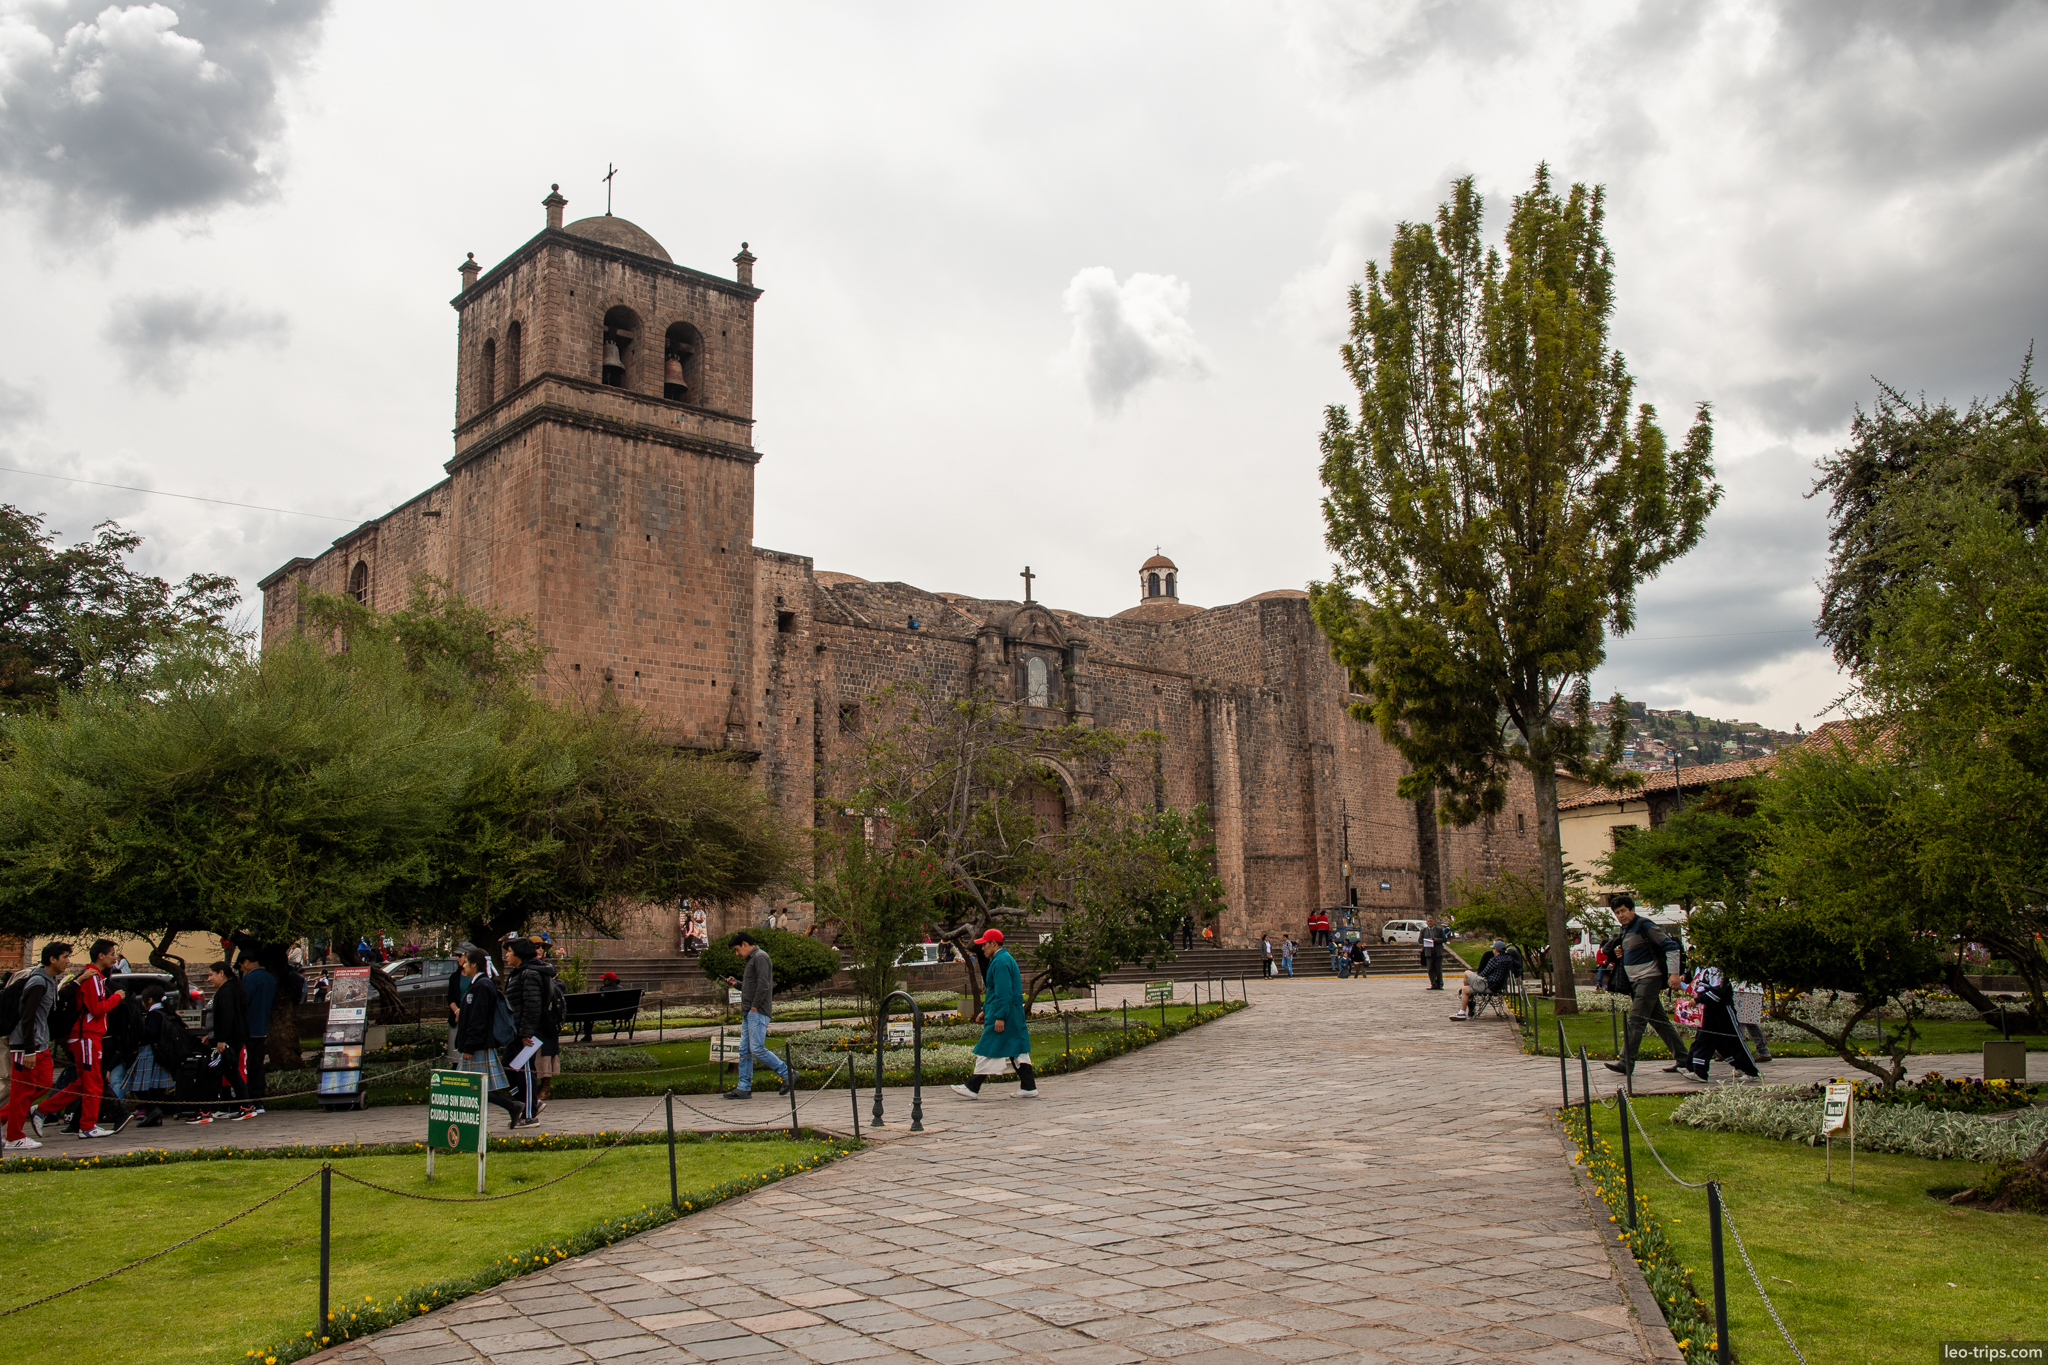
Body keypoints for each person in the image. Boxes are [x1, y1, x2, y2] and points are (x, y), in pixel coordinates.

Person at [39, 938, 129, 1138]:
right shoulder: (93, 977)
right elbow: (97, 1009)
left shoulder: (94, 977)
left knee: (84, 1083)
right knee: (93, 1083)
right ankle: (87, 1126)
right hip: (86, 1037)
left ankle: (42, 1110)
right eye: (112, 954)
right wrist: (116, 997)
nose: (115, 958)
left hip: (87, 1036)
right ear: (101, 955)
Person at [1600, 896, 1693, 1079]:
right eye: (1617, 913)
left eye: (1624, 911)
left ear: (1632, 910)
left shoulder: (1645, 925)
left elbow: (1672, 947)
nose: (1621, 915)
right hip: (1636, 982)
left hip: (1649, 979)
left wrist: (1673, 974)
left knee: (1635, 1021)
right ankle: (1684, 1059)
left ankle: (1626, 1063)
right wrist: (1620, 952)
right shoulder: (1626, 930)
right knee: (1660, 1022)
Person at [950, 929, 1038, 1099]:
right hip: (1011, 1011)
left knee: (989, 1046)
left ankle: (972, 1087)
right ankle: (1028, 1086)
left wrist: (999, 1017)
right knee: (1017, 1048)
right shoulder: (1002, 959)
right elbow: (997, 991)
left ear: (993, 943)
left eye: (984, 944)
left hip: (1006, 1012)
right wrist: (984, 1010)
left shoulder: (999, 962)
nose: (982, 947)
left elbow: (1003, 992)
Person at [4, 941, 71, 1151]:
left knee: (43, 1083)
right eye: (65, 957)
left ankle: (5, 1117)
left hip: (40, 1043)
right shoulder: (38, 982)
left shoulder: (48, 979)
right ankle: (14, 1137)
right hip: (26, 1046)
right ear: (52, 959)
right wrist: (28, 1050)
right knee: (21, 1093)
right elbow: (28, 1018)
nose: (68, 961)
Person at [453, 949, 530, 1129]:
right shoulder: (479, 984)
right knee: (479, 1087)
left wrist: (470, 1047)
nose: (463, 965)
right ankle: (512, 1107)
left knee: (474, 1086)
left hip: (478, 1046)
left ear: (474, 964)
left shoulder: (482, 986)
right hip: (477, 1044)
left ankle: (511, 1107)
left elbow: (478, 1019)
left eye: (466, 962)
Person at [721, 932, 792, 1100]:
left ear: (745, 944)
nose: (737, 954)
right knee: (745, 1051)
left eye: (737, 950)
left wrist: (755, 1007)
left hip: (757, 1011)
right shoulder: (752, 960)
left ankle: (787, 1073)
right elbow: (751, 986)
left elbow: (763, 985)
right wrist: (736, 984)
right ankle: (743, 1087)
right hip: (749, 1011)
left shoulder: (760, 957)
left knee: (757, 1049)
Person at [188, 961, 253, 1123]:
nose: (209, 979)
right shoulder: (231, 989)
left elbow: (226, 1016)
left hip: (229, 1040)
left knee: (213, 1073)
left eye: (211, 975)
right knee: (230, 1072)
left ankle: (206, 1111)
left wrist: (221, 1040)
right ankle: (245, 1107)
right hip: (231, 1038)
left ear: (221, 973)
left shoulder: (226, 991)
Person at [502, 939, 554, 1120]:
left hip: (527, 1033)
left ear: (519, 954)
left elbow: (532, 1005)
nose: (506, 955)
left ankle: (530, 1114)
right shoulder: (518, 973)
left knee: (525, 1070)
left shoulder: (529, 974)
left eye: (509, 951)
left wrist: (526, 1033)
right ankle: (526, 1101)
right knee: (508, 1064)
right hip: (517, 1031)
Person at [1681, 964, 1759, 1082]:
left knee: (1733, 1040)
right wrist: (1697, 995)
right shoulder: (1703, 969)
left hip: (1723, 1010)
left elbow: (1717, 993)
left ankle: (1750, 1071)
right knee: (1704, 1039)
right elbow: (1702, 987)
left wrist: (1698, 999)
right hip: (1708, 1010)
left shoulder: (1717, 968)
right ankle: (1699, 1072)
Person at [124, 984, 182, 1127]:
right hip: (163, 1054)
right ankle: (155, 1115)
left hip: (150, 1052)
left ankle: (152, 1110)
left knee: (137, 1085)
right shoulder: (168, 1012)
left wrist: (138, 1038)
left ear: (149, 1000)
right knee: (157, 1087)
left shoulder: (154, 1015)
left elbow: (150, 1033)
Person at [238, 954, 277, 1115]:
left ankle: (250, 1098)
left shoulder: (250, 979)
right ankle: (259, 1098)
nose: (242, 970)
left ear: (247, 962)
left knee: (248, 1066)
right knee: (258, 1064)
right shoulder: (270, 978)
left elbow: (242, 1002)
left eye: (241, 966)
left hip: (249, 1028)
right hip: (262, 1028)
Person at [1451, 940, 1518, 1020]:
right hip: (1499, 986)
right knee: (1465, 989)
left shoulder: (1494, 960)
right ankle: (1461, 1011)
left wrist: (1477, 977)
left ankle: (1463, 1002)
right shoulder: (1509, 959)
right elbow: (1518, 964)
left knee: (1466, 973)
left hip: (1488, 985)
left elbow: (1483, 974)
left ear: (1496, 950)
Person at [1420, 916, 1447, 991]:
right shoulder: (1423, 930)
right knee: (1430, 969)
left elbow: (1444, 939)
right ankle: (1433, 983)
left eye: (1431, 921)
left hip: (1437, 952)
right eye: (1428, 921)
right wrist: (1426, 940)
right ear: (1426, 922)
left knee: (1438, 969)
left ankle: (1440, 984)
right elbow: (1420, 940)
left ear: (1434, 922)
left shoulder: (1439, 930)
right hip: (1428, 952)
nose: (1430, 923)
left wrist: (1437, 940)